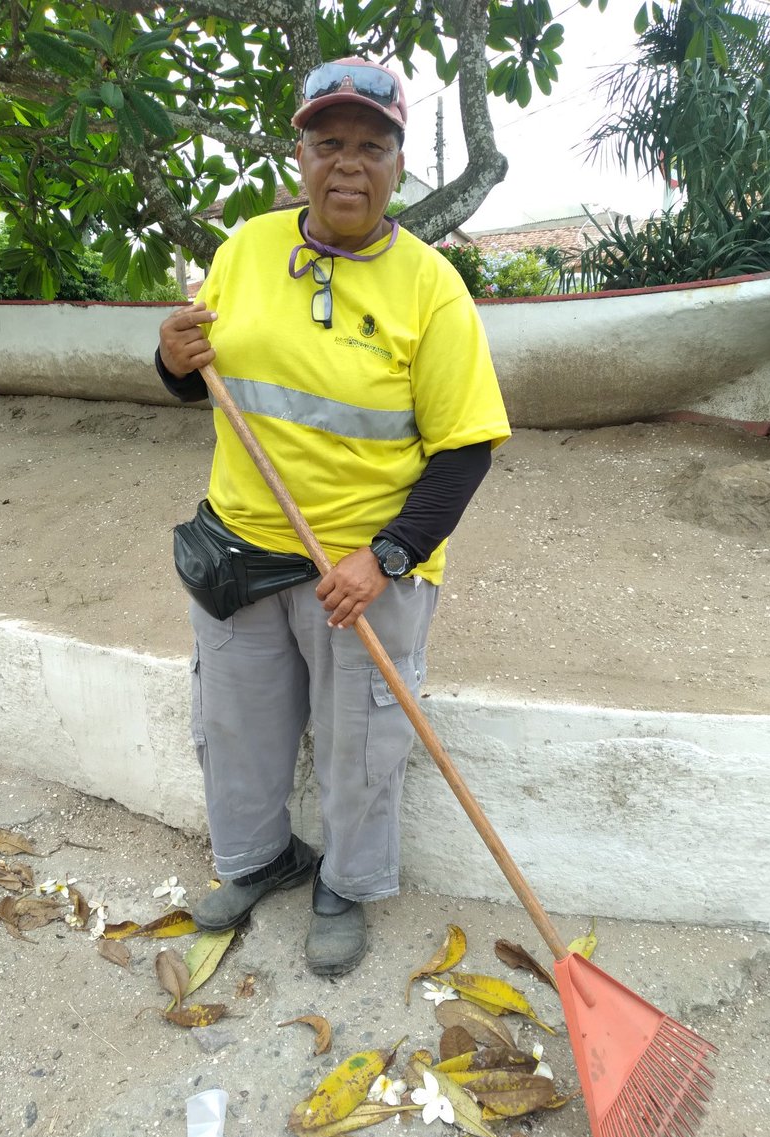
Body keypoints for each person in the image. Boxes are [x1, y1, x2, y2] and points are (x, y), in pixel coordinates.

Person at [156, 56, 510, 976]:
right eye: (328, 144)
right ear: (300, 155)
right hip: (238, 550)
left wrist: (386, 555)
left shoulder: (431, 287)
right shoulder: (244, 248)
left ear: (399, 167)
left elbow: (465, 446)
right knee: (235, 728)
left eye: (371, 146)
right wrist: (171, 359)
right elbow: (208, 381)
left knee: (358, 743)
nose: (347, 164)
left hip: (358, 570)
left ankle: (345, 885)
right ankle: (258, 860)